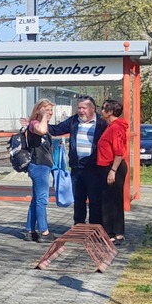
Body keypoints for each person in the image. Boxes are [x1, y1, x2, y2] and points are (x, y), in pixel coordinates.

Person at [48, 95, 108, 226]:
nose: (81, 111)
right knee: (79, 199)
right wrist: (36, 123)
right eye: (79, 108)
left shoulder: (102, 123)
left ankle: (95, 227)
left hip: (94, 168)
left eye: (84, 108)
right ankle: (78, 226)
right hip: (77, 167)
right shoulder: (74, 121)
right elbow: (56, 130)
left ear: (93, 108)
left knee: (95, 200)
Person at [96, 99, 129, 243]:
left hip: (113, 166)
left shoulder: (116, 128)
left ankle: (117, 233)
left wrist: (113, 170)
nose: (101, 111)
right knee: (108, 200)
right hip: (106, 166)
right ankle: (110, 232)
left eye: (104, 108)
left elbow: (119, 152)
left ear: (110, 112)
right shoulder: (110, 126)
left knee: (114, 199)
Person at [24, 99, 55, 242]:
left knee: (36, 199)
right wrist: (42, 116)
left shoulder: (41, 124)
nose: (50, 113)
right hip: (38, 166)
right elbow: (41, 130)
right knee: (42, 199)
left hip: (43, 166)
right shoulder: (35, 124)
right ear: (39, 110)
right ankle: (44, 232)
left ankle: (30, 230)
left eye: (50, 110)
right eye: (47, 110)